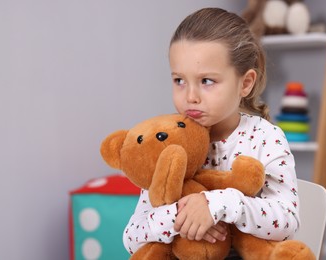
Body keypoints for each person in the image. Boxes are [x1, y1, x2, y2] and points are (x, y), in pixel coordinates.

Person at [123, 7, 300, 258]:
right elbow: (131, 238)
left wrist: (219, 204)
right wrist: (182, 217)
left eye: (207, 81)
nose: (190, 97)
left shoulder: (265, 138)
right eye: (179, 81)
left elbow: (287, 221)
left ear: (245, 83)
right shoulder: (169, 139)